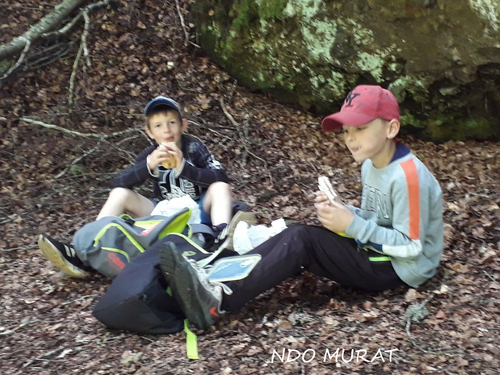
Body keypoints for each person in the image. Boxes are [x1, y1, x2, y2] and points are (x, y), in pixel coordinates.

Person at [158, 85, 444, 330]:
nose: (350, 138)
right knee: (297, 236)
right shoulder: (372, 164)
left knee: (301, 240)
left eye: (361, 128)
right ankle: (211, 276)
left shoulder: (408, 178)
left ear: (391, 128)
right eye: (346, 130)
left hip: (401, 269)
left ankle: (218, 298)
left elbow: (411, 246)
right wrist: (345, 212)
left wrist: (351, 225)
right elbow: (378, 222)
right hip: (380, 254)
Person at [38, 96, 254, 278]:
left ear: (183, 125)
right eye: (158, 126)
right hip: (164, 212)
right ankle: (88, 248)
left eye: (172, 123)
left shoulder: (194, 147)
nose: (166, 130)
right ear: (149, 132)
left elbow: (221, 176)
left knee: (220, 188)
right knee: (120, 194)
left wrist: (185, 168)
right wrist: (149, 165)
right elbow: (119, 182)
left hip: (198, 208)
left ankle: (221, 240)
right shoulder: (149, 154)